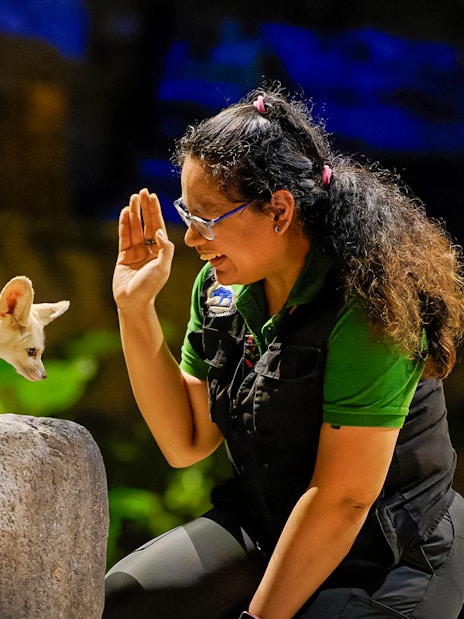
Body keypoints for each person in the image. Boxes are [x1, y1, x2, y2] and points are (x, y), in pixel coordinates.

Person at [104, 84, 464, 619]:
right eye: (187, 212)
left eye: (207, 220)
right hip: (266, 526)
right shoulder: (219, 289)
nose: (190, 238)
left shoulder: (369, 308)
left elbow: (344, 500)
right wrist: (134, 309)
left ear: (279, 211)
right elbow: (186, 441)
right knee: (119, 601)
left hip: (390, 553)